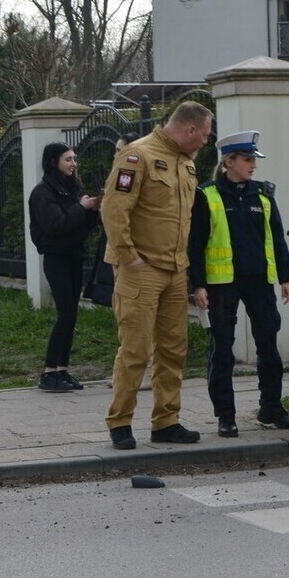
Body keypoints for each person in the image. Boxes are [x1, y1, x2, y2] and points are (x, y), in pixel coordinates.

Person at [101, 101, 213, 450]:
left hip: (174, 269)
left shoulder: (187, 163)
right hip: (142, 269)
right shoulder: (138, 156)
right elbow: (114, 208)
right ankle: (120, 421)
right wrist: (128, 257)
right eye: (205, 135)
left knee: (173, 350)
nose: (206, 142)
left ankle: (166, 421)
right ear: (190, 130)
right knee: (135, 350)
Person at [188, 130, 289, 437]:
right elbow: (194, 244)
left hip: (259, 281)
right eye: (247, 160)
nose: (253, 166)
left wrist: (286, 278)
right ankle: (226, 415)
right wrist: (197, 285)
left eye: (253, 160)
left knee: (268, 345)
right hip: (221, 284)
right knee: (222, 350)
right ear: (228, 161)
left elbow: (276, 237)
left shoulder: (262, 194)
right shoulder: (206, 194)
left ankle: (271, 408)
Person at [28, 142, 102, 391]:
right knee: (66, 313)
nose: (73, 164)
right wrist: (80, 207)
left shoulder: (72, 188)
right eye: (68, 159)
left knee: (71, 315)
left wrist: (92, 210)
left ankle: (62, 369)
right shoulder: (42, 193)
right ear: (53, 162)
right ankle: (49, 372)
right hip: (56, 257)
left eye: (74, 159)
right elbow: (57, 226)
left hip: (74, 255)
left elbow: (81, 225)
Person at [85, 132, 141, 307]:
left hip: (129, 247)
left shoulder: (127, 174)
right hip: (115, 247)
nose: (115, 155)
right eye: (115, 150)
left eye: (119, 150)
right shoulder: (118, 174)